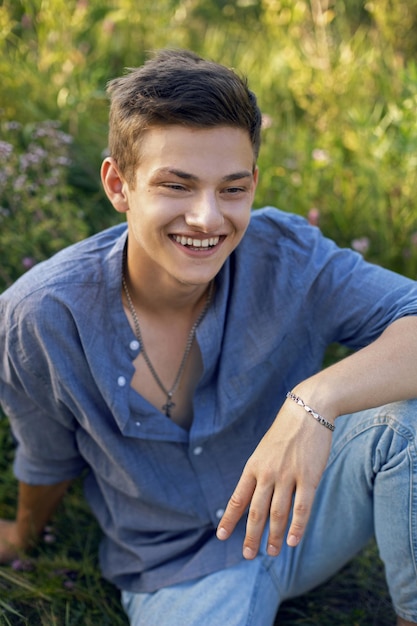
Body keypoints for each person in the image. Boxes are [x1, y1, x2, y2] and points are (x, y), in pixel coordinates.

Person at [0, 49, 416, 626]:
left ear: (254, 184)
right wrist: (23, 535)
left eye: (232, 189)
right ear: (118, 185)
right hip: (177, 571)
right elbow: (47, 452)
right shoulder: (41, 315)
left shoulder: (287, 254)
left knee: (407, 420)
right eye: (177, 185)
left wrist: (313, 403)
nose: (208, 218)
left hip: (304, 515)